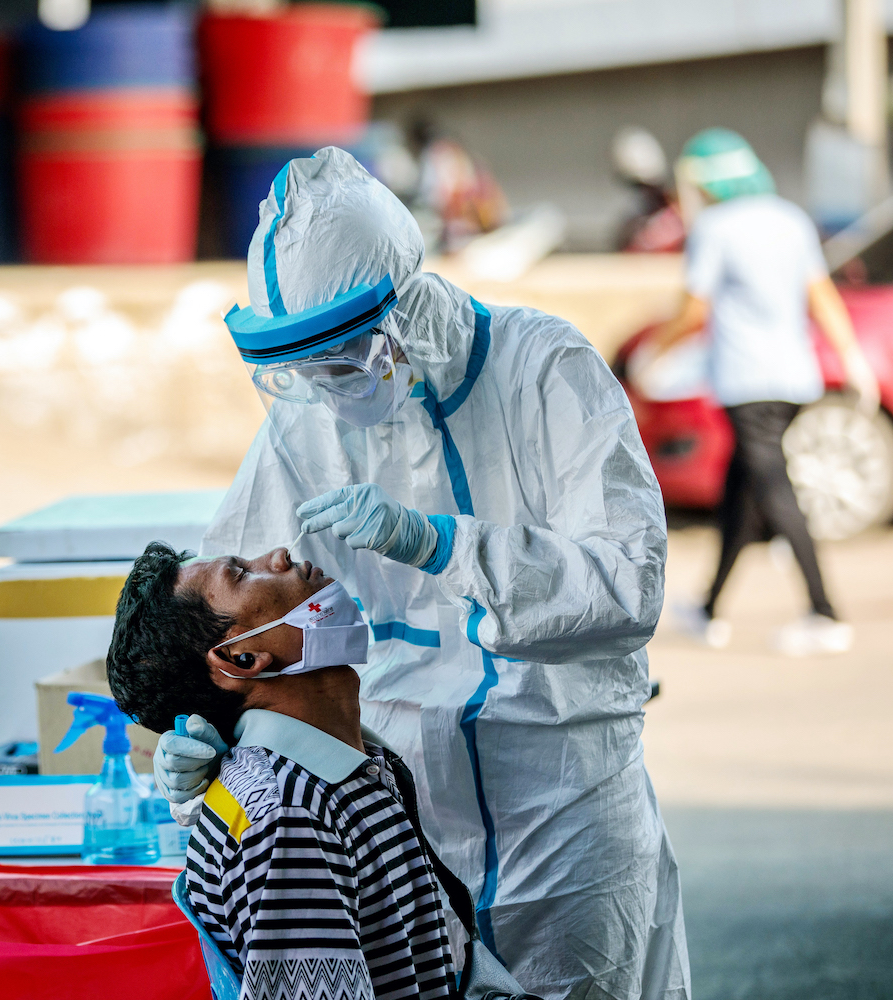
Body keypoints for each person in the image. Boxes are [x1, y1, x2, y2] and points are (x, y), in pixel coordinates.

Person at [155, 147, 687, 1000]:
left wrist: (444, 545)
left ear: (405, 308)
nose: (327, 392)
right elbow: (228, 617)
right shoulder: (310, 415)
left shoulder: (543, 368)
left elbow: (629, 587)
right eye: (302, 369)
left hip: (567, 809)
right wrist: (198, 731)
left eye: (341, 359)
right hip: (400, 823)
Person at [108, 543, 464, 1000]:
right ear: (241, 659)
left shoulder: (344, 768)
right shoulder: (287, 818)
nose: (277, 556)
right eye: (240, 573)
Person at [642, 127, 880, 655]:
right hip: (795, 380)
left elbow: (694, 309)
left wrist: (653, 350)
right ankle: (709, 608)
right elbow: (821, 295)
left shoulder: (716, 227)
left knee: (775, 491)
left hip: (747, 384)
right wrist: (851, 359)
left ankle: (824, 612)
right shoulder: (790, 218)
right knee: (739, 492)